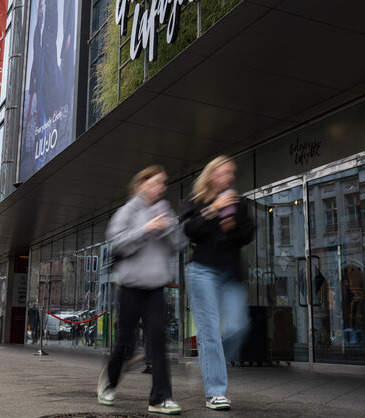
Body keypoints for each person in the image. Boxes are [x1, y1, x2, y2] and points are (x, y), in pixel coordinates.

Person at [97, 165, 186, 415]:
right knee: (125, 342)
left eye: (163, 183)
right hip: (131, 285)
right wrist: (146, 229)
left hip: (156, 286)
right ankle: (109, 382)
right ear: (142, 185)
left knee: (157, 340)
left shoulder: (163, 209)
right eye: (156, 182)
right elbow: (117, 244)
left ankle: (160, 398)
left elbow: (178, 245)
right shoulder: (127, 211)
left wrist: (170, 227)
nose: (161, 187)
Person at [182, 155, 254, 411]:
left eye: (231, 174)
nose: (228, 178)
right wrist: (213, 210)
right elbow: (189, 230)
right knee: (209, 331)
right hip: (202, 271)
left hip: (231, 274)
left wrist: (233, 225)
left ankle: (210, 361)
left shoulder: (240, 202)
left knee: (239, 326)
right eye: (224, 173)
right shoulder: (197, 200)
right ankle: (216, 392)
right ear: (212, 175)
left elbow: (248, 234)